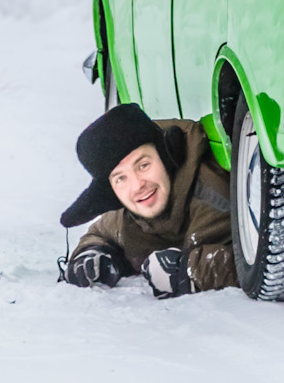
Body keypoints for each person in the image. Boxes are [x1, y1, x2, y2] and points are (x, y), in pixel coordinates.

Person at [58, 103, 237, 298]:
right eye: (121, 178)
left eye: (143, 165)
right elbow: (102, 233)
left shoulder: (213, 198)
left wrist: (188, 270)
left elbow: (255, 264)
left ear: (166, 154)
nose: (137, 186)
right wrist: (94, 254)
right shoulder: (131, 207)